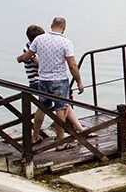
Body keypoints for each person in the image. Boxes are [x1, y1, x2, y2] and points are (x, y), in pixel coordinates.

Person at [16, 17, 84, 151]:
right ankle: (60, 143)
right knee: (61, 109)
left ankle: (34, 136)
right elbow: (73, 65)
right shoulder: (65, 42)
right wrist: (79, 81)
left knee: (42, 107)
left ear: (51, 25)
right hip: (59, 80)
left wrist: (19, 58)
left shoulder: (39, 40)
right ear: (64, 27)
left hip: (43, 80)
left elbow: (26, 56)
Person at [18, 24, 50, 143]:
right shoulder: (30, 49)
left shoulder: (33, 48)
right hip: (38, 81)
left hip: (41, 81)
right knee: (44, 107)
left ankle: (68, 129)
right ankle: (35, 136)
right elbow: (38, 62)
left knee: (55, 105)